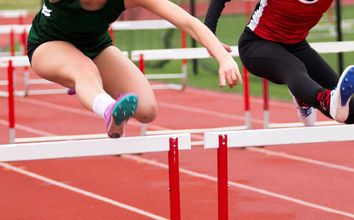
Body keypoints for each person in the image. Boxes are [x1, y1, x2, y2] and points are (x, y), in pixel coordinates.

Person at [27, 0, 242, 138]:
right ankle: (104, 105)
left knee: (147, 111)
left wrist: (223, 57)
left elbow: (187, 21)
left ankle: (90, 88)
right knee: (84, 70)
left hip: (95, 47)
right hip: (47, 45)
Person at [204, 0, 354, 126]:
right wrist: (210, 37)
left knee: (351, 114)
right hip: (257, 45)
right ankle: (322, 97)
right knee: (295, 69)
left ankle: (304, 96)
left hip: (296, 46)